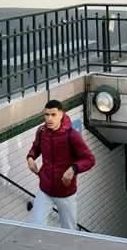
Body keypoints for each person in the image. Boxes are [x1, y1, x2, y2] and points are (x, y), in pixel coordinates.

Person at [26, 99, 95, 230]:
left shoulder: (72, 135)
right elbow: (36, 147)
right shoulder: (41, 131)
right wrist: (30, 158)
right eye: (46, 115)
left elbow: (89, 159)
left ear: (61, 114)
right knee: (36, 226)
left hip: (66, 193)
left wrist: (73, 169)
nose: (49, 119)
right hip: (45, 190)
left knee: (69, 231)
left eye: (53, 115)